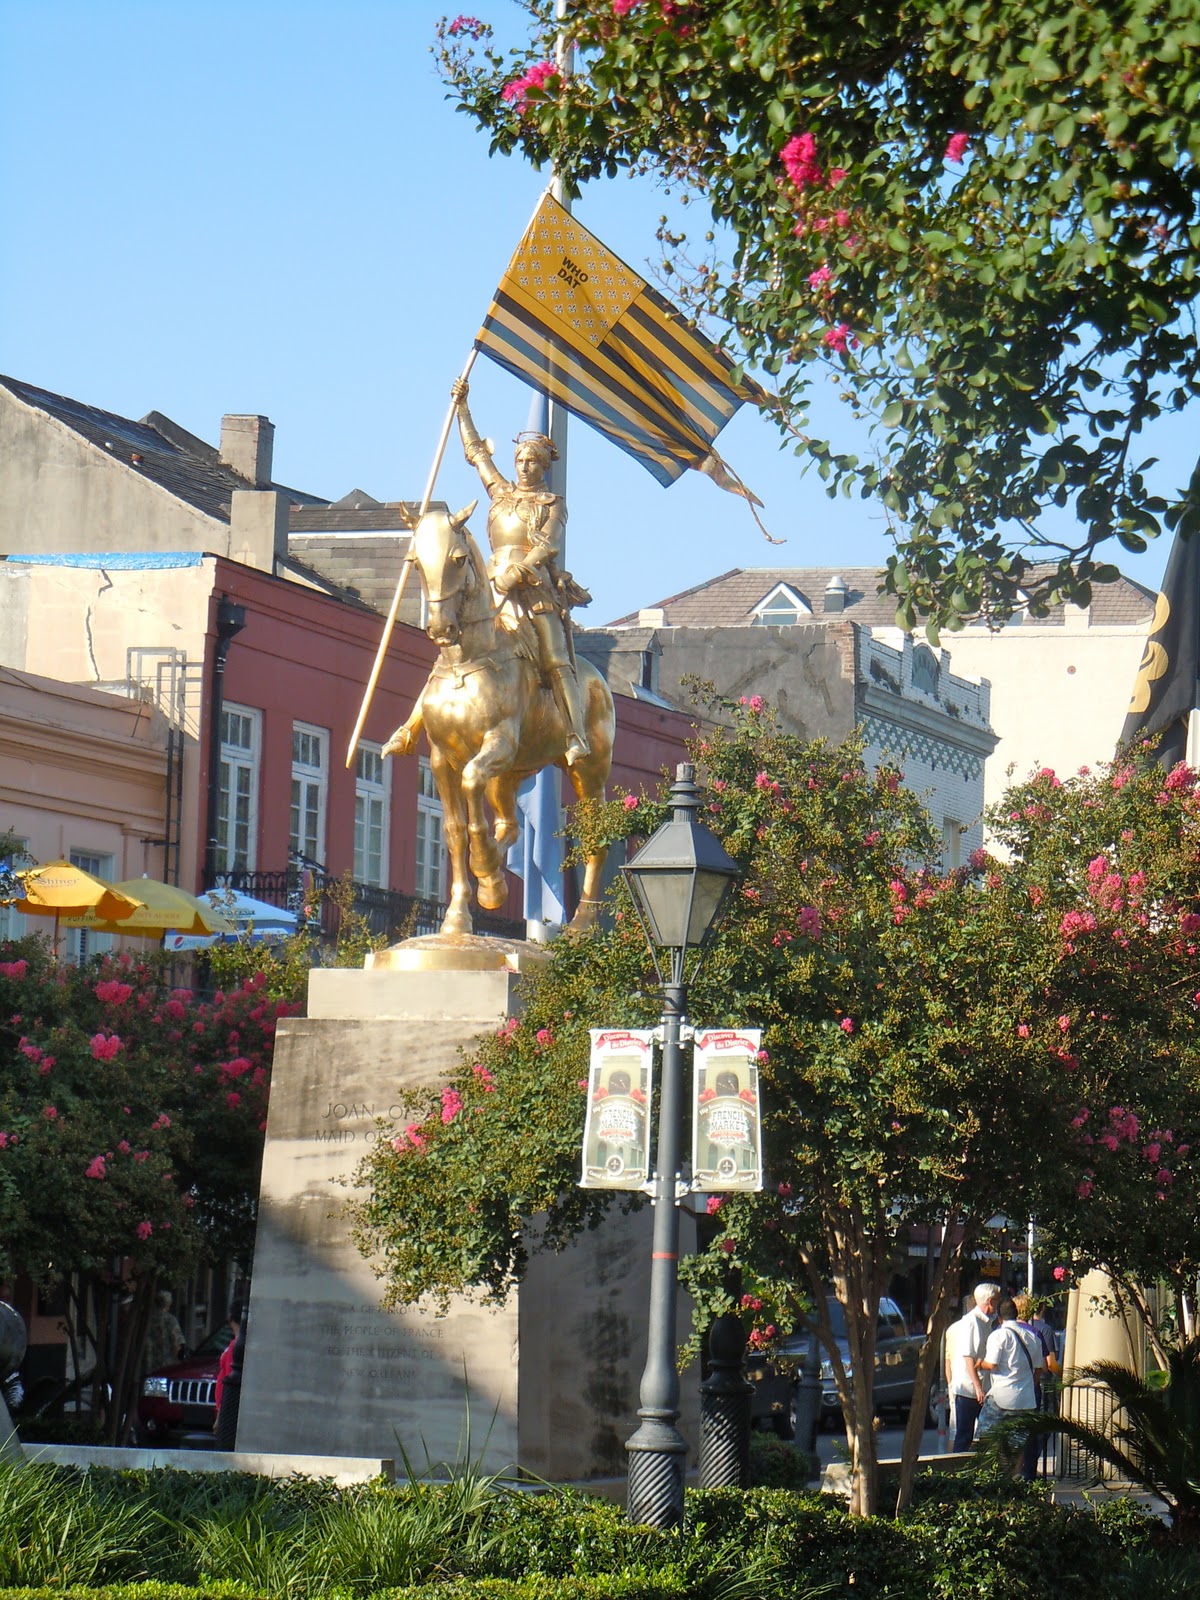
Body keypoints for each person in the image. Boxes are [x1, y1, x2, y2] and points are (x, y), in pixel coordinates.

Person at [450, 376, 593, 765]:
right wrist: (462, 408)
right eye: (520, 460)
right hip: (492, 581)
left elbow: (549, 544)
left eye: (533, 460)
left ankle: (576, 734)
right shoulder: (500, 492)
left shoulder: (552, 503)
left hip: (533, 587)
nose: (525, 466)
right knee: (452, 639)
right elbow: (476, 453)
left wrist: (521, 570)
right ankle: (416, 722)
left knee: (555, 657)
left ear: (544, 466)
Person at [977, 1296, 1044, 1478]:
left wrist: (979, 1363)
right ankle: (1013, 1478)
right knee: (1017, 1444)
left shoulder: (999, 1335)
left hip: (1001, 1397)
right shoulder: (1032, 1336)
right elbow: (1039, 1370)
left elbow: (991, 1364)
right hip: (1025, 1399)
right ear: (1017, 1314)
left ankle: (988, 1478)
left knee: (985, 1438)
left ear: (1000, 1318)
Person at [948, 1281, 1000, 1450]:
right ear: (990, 1301)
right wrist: (977, 1387)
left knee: (985, 1434)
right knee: (964, 1435)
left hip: (982, 1387)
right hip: (969, 1389)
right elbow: (968, 1356)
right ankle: (958, 1472)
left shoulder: (987, 1321)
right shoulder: (971, 1321)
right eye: (997, 1300)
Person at [212, 1302, 242, 1431]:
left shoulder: (236, 1346)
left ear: (230, 1320)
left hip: (228, 1412)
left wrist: (220, 1417)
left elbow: (228, 1381)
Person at [143, 1289, 185, 1375]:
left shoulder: (146, 1319)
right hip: (166, 1363)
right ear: (169, 1303)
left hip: (147, 1362)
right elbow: (177, 1344)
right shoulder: (171, 1320)